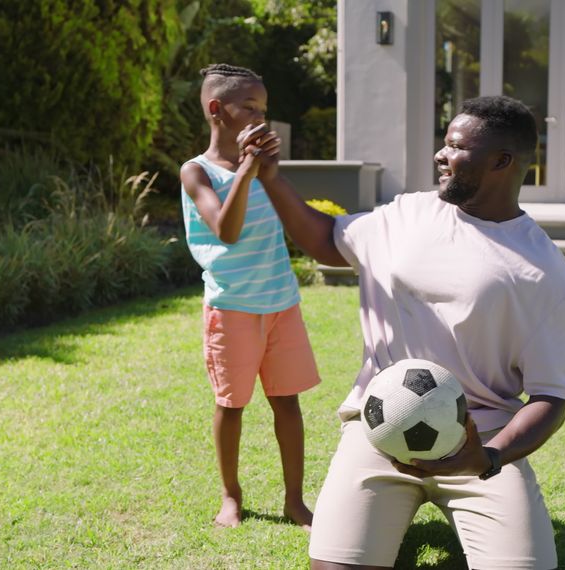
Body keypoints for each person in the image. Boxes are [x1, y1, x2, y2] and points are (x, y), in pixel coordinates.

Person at [247, 95, 565, 569]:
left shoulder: (545, 275)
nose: (440, 155)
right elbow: (327, 240)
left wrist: (485, 457)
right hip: (377, 431)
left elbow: (552, 399)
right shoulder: (408, 215)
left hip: (478, 442)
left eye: (455, 146)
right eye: (443, 143)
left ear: (501, 161)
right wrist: (272, 179)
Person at [180, 63, 320, 530]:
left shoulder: (261, 171)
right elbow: (227, 229)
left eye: (264, 109)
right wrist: (247, 168)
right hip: (233, 308)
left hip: (281, 303)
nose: (260, 117)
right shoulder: (196, 172)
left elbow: (293, 220)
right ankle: (231, 497)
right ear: (217, 110)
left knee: (288, 402)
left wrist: (269, 173)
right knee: (231, 405)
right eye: (250, 107)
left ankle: (295, 501)